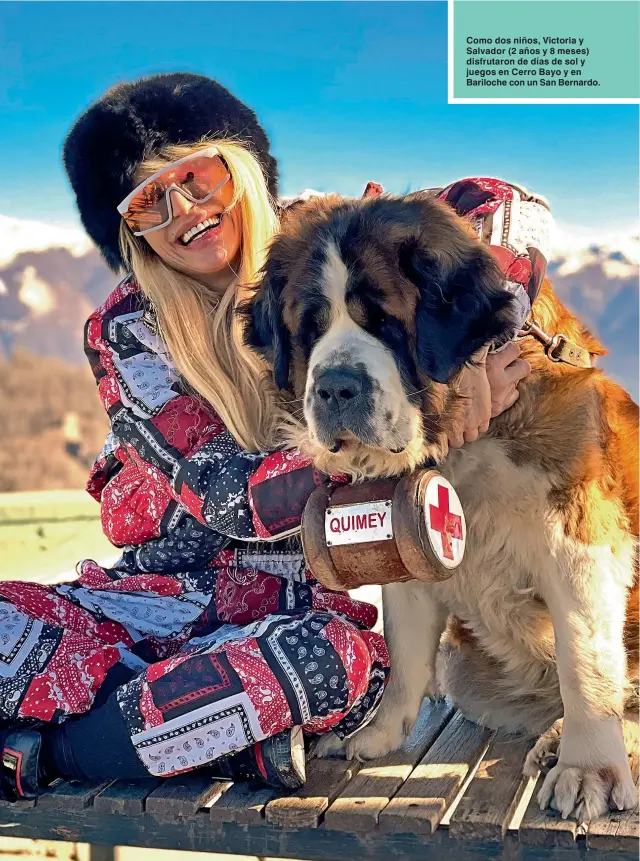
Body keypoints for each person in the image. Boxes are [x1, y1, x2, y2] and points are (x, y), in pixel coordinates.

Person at [0, 73, 532, 800]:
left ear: (238, 166)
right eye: (149, 199)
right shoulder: (126, 331)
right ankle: (201, 738)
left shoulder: (328, 242)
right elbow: (224, 494)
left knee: (329, 662)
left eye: (196, 175)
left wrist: (470, 357)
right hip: (154, 609)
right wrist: (399, 431)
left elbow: (506, 207)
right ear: (130, 231)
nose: (183, 208)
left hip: (293, 621)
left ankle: (52, 748)